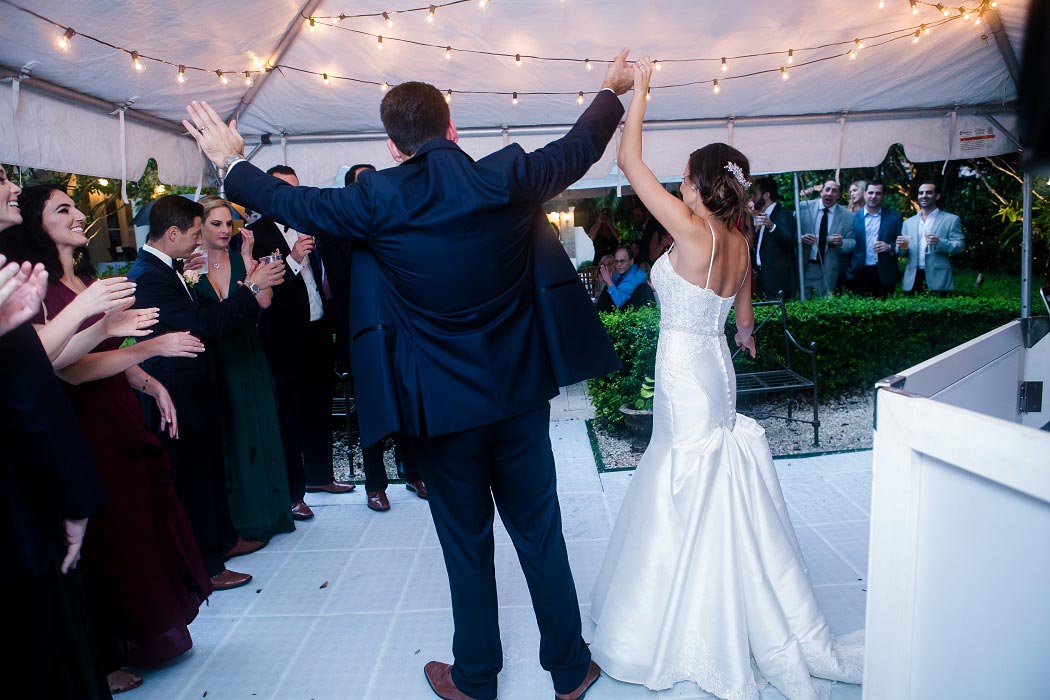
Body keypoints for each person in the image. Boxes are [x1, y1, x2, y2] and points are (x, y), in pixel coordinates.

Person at [183, 47, 633, 700]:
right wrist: (611, 90)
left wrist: (230, 162)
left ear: (394, 146)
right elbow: (578, 147)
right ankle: (570, 669)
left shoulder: (376, 199)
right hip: (518, 399)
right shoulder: (505, 176)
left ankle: (477, 678)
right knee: (541, 535)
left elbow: (295, 201)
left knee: (466, 545)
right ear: (452, 129)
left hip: (441, 411)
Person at [589, 58, 863, 699]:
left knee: (682, 479)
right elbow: (745, 299)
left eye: (683, 176)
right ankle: (732, 591)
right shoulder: (737, 240)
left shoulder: (693, 230)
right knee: (705, 475)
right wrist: (743, 329)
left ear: (698, 185)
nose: (677, 184)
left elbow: (629, 165)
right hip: (714, 364)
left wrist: (642, 90)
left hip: (686, 370)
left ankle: (682, 613)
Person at [12, 184, 213, 693]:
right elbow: (69, 369)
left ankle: (139, 635)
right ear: (38, 224)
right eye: (65, 209)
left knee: (139, 525)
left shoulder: (83, 279)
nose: (81, 215)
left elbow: (106, 344)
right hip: (85, 420)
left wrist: (147, 380)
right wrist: (150, 349)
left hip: (119, 407)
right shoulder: (36, 290)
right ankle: (108, 650)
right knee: (109, 538)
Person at [128, 195, 285, 591]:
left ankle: (222, 543)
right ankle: (207, 567)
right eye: (197, 233)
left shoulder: (164, 268)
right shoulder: (148, 276)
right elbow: (204, 323)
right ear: (173, 233)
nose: (201, 240)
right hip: (177, 393)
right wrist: (250, 288)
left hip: (196, 389)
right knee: (193, 482)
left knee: (207, 472)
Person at [0, 165, 110, 700]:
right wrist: (75, 497)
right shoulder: (19, 278)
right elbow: (35, 383)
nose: (11, 187)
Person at [248, 165, 354, 524]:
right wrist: (293, 259)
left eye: (295, 189)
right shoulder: (256, 235)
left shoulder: (309, 228)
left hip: (318, 328)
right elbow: (265, 293)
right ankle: (293, 493)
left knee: (319, 404)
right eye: (282, 189)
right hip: (283, 336)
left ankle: (321, 476)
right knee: (289, 414)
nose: (290, 196)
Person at [196, 195, 295, 541]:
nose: (225, 230)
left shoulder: (242, 257)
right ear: (200, 226)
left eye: (229, 224)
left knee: (256, 431)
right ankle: (232, 522)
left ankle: (266, 514)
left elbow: (265, 302)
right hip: (211, 359)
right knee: (226, 437)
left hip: (247, 354)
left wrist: (250, 263)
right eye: (216, 224)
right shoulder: (189, 266)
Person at [897, 180, 964, 294]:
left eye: (928, 192)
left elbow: (960, 246)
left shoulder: (951, 220)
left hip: (939, 278)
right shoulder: (908, 222)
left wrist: (939, 242)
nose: (924, 196)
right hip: (912, 278)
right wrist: (901, 246)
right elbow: (903, 252)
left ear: (937, 196)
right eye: (921, 193)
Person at [797, 180, 855, 296]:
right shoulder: (803, 208)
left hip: (828, 269)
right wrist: (801, 238)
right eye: (827, 189)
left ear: (839, 195)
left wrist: (842, 242)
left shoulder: (847, 216)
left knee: (824, 305)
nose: (830, 193)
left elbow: (852, 242)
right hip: (805, 266)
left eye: (834, 191)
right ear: (821, 191)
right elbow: (790, 233)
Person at [848, 181, 902, 298]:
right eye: (871, 193)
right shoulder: (853, 218)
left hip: (885, 272)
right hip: (859, 272)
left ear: (883, 196)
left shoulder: (895, 217)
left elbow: (905, 244)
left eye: (878, 193)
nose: (873, 196)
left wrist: (890, 247)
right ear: (865, 194)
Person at [750, 176, 798, 299]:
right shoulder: (759, 216)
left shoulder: (784, 215)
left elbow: (790, 243)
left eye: (755, 194)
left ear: (766, 195)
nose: (753, 198)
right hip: (761, 277)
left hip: (778, 280)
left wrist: (772, 227)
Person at [596, 245, 650, 312]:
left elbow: (619, 301)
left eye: (622, 261)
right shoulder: (620, 274)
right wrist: (606, 281)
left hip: (631, 315)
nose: (619, 264)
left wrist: (609, 281)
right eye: (616, 261)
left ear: (631, 261)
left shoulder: (635, 275)